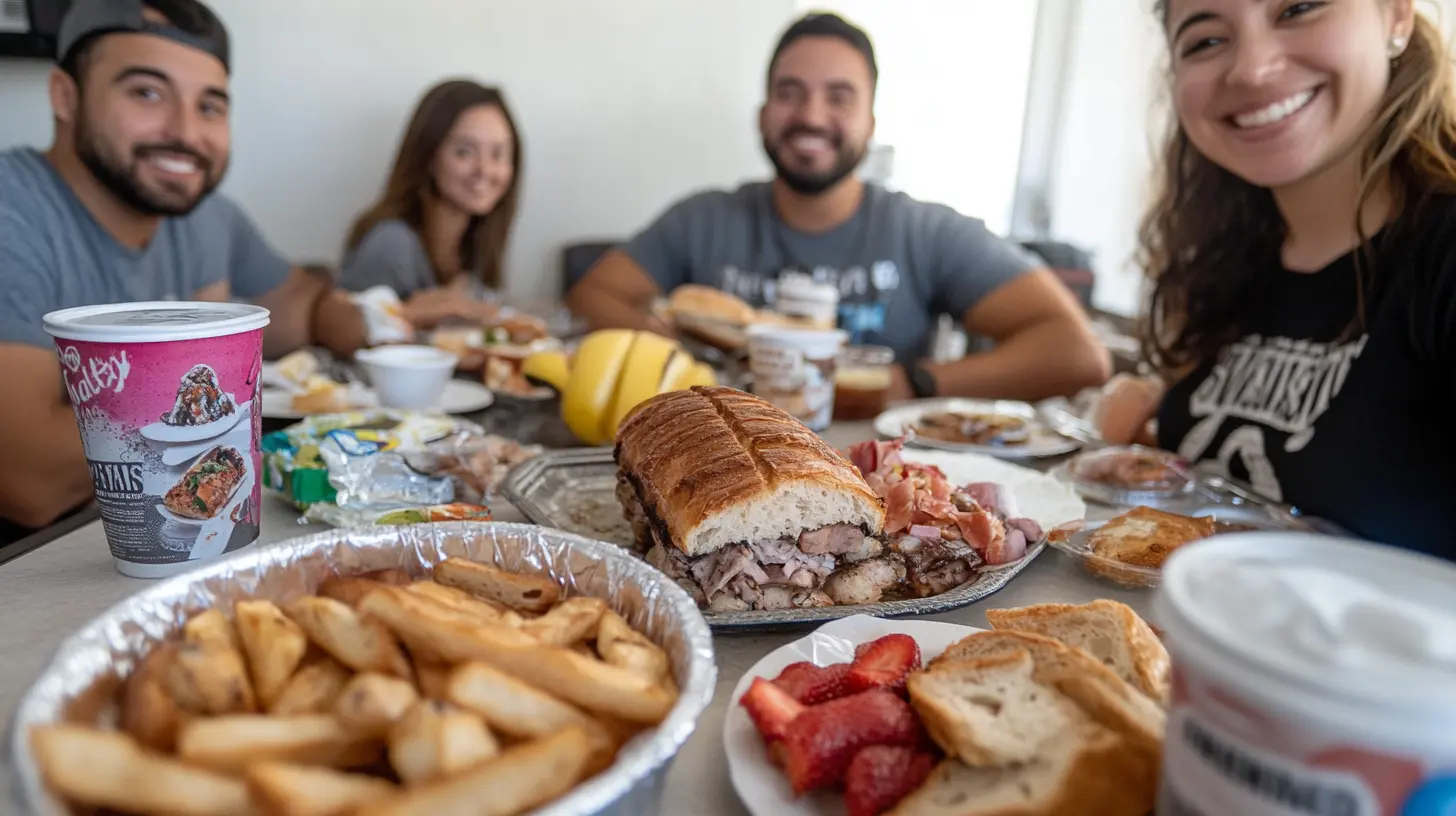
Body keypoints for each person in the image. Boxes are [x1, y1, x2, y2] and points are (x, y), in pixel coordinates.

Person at [565, 12, 1110, 403]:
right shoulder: (703, 219)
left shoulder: (924, 231)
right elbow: (594, 294)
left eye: (839, 97)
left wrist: (914, 383)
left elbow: (1079, 354)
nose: (811, 115)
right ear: (763, 115)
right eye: (790, 92)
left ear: (871, 122)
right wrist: (680, 363)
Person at [0, 0, 368, 531]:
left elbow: (303, 307)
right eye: (147, 93)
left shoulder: (208, 217)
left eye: (210, 106)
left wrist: (365, 320)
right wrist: (215, 394)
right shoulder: (12, 209)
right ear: (65, 96)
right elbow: (26, 477)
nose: (187, 133)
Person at [1107, 0, 1454, 554]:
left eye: (1298, 8)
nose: (1252, 69)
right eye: (1206, 41)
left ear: (1396, 16)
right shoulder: (1224, 259)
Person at [341, 80, 521, 330]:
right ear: (428, 155)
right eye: (464, 152)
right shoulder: (391, 242)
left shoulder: (478, 244)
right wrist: (409, 314)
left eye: (498, 154)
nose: (485, 170)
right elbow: (349, 337)